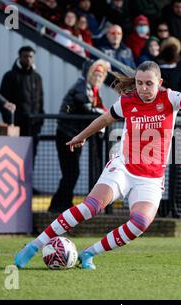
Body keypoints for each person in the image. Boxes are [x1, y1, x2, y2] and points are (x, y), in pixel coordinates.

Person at [14, 61, 181, 269]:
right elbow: (104, 120)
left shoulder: (169, 98)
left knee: (140, 224)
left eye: (149, 83)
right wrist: (81, 136)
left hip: (151, 178)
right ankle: (32, 246)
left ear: (160, 83)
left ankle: (88, 254)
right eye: (139, 83)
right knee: (91, 207)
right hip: (124, 167)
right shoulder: (128, 101)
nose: (144, 88)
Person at [48, 59, 110, 213]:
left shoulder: (92, 89)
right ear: (89, 73)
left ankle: (62, 205)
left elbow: (94, 109)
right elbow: (88, 108)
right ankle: (58, 206)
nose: (98, 77)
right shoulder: (81, 87)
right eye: (95, 74)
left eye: (100, 75)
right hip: (67, 135)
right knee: (71, 172)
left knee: (71, 173)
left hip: (75, 136)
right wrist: (108, 115)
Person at [0, 46, 44, 163]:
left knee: (30, 158)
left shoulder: (37, 78)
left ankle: (27, 182)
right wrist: (10, 122)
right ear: (19, 57)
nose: (28, 59)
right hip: (17, 126)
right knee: (14, 157)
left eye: (31, 56)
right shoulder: (10, 76)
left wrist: (39, 122)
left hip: (33, 126)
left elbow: (40, 101)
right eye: (25, 56)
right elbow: (3, 102)